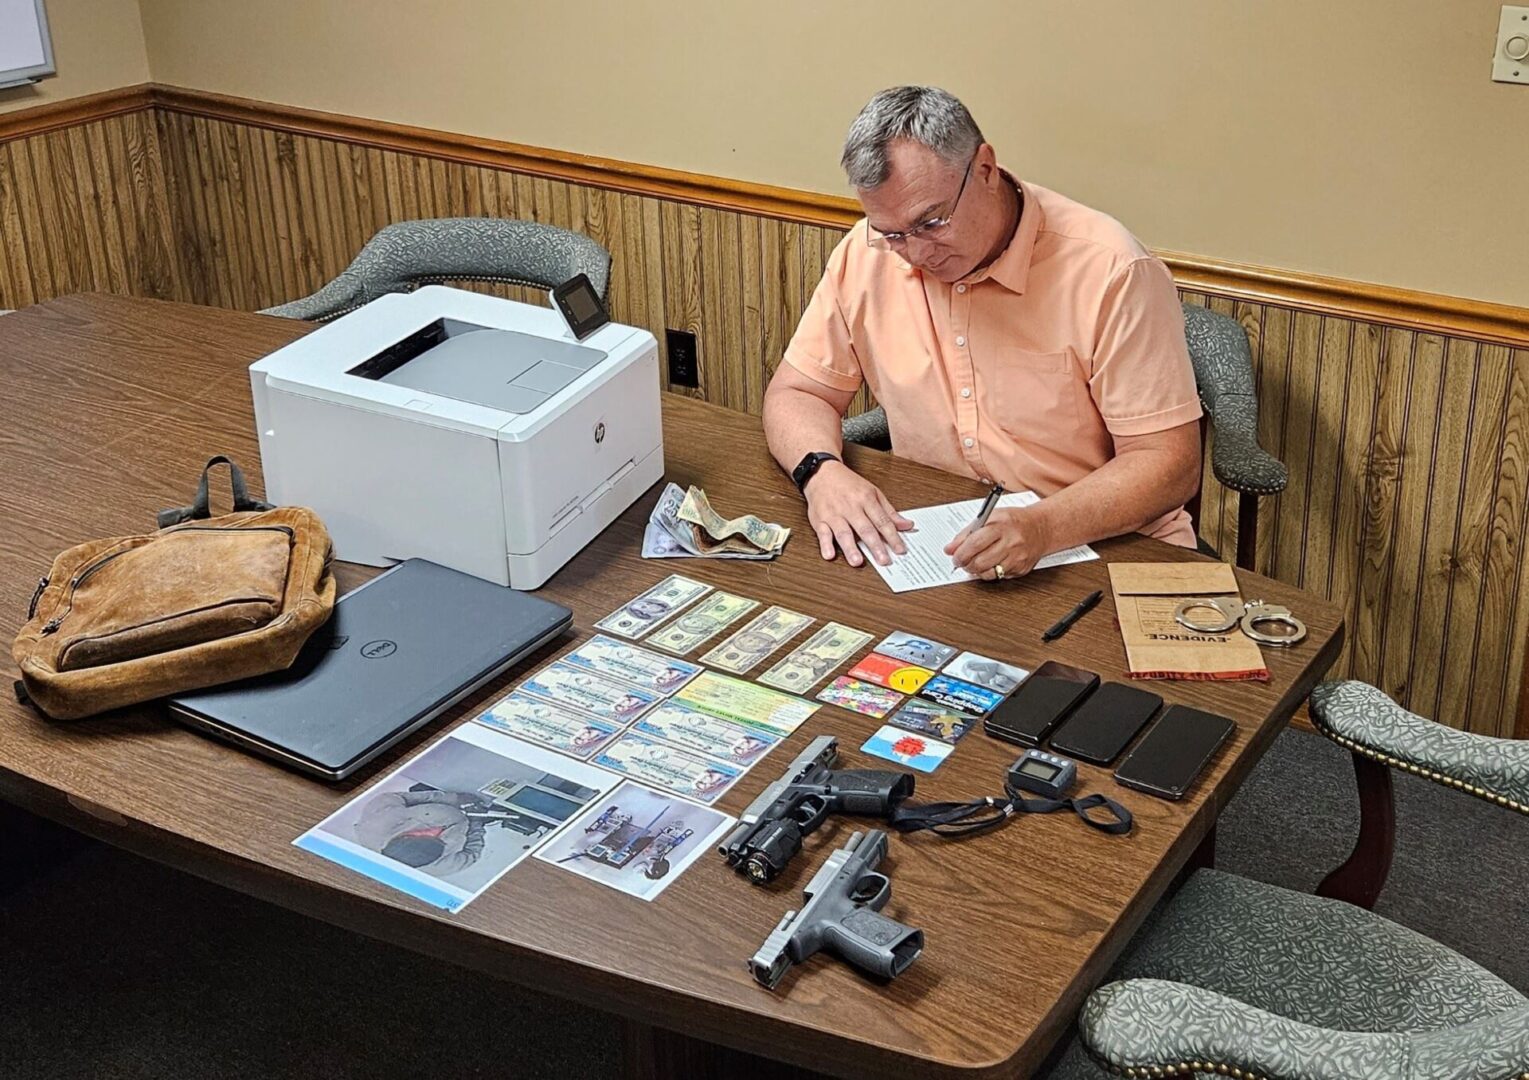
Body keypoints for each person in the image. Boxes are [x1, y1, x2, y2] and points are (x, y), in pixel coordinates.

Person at [763, 86, 1203, 581]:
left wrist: (1043, 527)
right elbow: (797, 392)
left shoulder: (1112, 271)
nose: (915, 253)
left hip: (1110, 549)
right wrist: (821, 472)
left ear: (986, 169)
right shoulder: (865, 256)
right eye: (892, 233)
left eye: (931, 222)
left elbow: (1168, 464)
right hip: (942, 549)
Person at [352, 787, 487, 877]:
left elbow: (397, 797)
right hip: (468, 818)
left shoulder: (375, 823)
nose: (435, 832)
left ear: (404, 837)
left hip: (445, 794)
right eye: (439, 840)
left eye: (423, 833)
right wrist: (477, 822)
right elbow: (472, 853)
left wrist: (453, 798)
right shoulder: (443, 867)